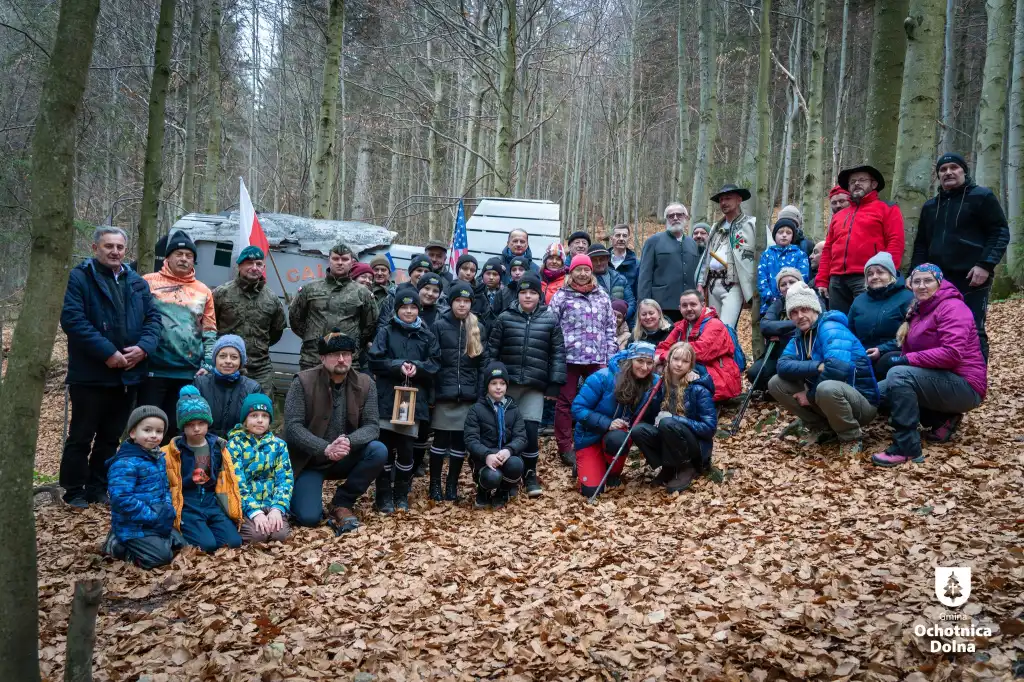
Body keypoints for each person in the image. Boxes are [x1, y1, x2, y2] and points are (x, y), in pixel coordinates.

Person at [60, 226, 161, 507]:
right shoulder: (80, 278)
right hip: (90, 375)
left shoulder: (137, 282)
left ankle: (98, 487)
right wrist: (108, 353)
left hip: (127, 376)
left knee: (110, 437)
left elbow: (154, 319)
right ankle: (73, 490)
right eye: (109, 246)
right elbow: (73, 320)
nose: (115, 252)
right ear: (95, 248)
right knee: (81, 436)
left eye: (120, 247)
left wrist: (143, 348)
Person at [871, 264, 987, 467]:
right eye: (917, 281)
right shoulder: (918, 310)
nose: (922, 285)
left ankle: (906, 447)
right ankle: (941, 420)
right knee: (876, 392)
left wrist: (907, 360)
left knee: (899, 375)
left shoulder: (953, 307)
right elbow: (910, 351)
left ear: (939, 283)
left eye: (928, 280)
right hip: (938, 378)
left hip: (965, 385)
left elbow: (952, 354)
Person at [284, 330, 387, 533]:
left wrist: (348, 441)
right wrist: (325, 448)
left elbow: (372, 426)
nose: (341, 359)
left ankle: (342, 501)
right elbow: (293, 427)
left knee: (378, 450)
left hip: (345, 456)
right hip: (310, 461)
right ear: (322, 358)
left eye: (346, 354)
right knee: (308, 518)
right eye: (334, 354)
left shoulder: (366, 383)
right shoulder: (302, 382)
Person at [910, 153, 1010, 360]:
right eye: (943, 169)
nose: (948, 172)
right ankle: (946, 375)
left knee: (973, 328)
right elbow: (921, 244)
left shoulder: (981, 197)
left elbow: (999, 233)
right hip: (937, 280)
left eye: (953, 167)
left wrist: (985, 265)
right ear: (938, 175)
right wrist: (915, 274)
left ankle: (976, 377)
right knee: (936, 328)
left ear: (964, 171)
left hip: (972, 278)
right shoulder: (931, 206)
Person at [769, 282, 880, 455]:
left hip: (861, 402)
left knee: (826, 387)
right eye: (794, 312)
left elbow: (837, 368)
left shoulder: (830, 326)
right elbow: (782, 365)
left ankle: (850, 437)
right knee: (776, 382)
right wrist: (816, 366)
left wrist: (809, 396)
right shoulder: (800, 336)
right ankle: (821, 427)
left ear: (815, 309)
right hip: (825, 397)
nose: (800, 316)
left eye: (804, 309)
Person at [484, 273, 566, 496]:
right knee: (506, 431)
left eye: (532, 292)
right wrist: (490, 380)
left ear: (539, 296)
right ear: (517, 295)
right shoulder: (505, 318)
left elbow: (558, 353)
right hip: (506, 385)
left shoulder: (550, 320)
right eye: (523, 292)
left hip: (534, 385)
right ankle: (508, 476)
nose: (528, 296)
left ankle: (530, 474)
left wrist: (555, 383)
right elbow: (492, 351)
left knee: (530, 431)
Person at [368, 284, 441, 512]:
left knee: (407, 449)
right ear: (397, 309)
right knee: (385, 448)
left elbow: (435, 364)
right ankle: (383, 494)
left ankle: (401, 493)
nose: (409, 311)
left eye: (413, 307)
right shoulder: (386, 332)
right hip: (387, 398)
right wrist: (398, 366)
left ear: (419, 309)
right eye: (404, 307)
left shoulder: (427, 336)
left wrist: (417, 368)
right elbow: (375, 360)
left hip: (413, 402)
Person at [141, 231, 217, 442]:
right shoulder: (147, 283)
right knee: (148, 426)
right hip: (153, 370)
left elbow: (210, 331)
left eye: (188, 255)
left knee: (178, 430)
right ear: (168, 257)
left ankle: (173, 464)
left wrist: (208, 362)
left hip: (188, 372)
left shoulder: (204, 291)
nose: (184, 259)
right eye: (179, 254)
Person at [548, 255, 618, 468]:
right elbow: (550, 326)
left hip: (597, 357)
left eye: (586, 269)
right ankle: (565, 446)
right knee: (565, 402)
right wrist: (554, 354)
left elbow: (610, 327)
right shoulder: (561, 295)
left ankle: (598, 439)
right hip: (569, 357)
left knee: (602, 399)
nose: (582, 273)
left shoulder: (602, 295)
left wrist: (610, 355)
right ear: (571, 272)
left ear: (591, 271)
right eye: (578, 269)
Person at [571, 343, 661, 497]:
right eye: (640, 361)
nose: (645, 367)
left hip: (617, 437)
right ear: (630, 360)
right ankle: (584, 465)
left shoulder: (653, 383)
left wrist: (690, 375)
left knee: (618, 437)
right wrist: (607, 423)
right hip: (589, 436)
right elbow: (578, 408)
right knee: (591, 491)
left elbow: (674, 380)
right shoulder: (602, 377)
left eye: (649, 363)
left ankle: (611, 471)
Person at [102, 406, 185, 569]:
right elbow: (121, 499)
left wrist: (167, 509)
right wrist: (152, 515)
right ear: (133, 433)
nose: (154, 435)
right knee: (161, 558)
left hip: (156, 520)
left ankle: (152, 544)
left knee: (181, 546)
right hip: (133, 526)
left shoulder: (158, 457)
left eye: (159, 431)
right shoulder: (124, 463)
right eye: (147, 430)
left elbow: (164, 488)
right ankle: (118, 546)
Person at [162, 386, 242, 553]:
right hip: (188, 504)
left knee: (233, 541)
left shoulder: (217, 447)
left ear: (208, 423)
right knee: (207, 545)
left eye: (201, 423)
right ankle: (180, 533)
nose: (196, 429)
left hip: (211, 502)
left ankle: (208, 529)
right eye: (190, 424)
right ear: (183, 426)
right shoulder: (174, 451)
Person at [816, 165, 905, 315]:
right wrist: (822, 280)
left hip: (867, 277)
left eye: (862, 180)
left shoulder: (887, 209)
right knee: (838, 322)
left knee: (866, 321)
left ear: (874, 184)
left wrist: (888, 272)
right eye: (852, 182)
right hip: (836, 280)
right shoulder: (839, 216)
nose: (856, 183)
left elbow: (895, 242)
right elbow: (828, 249)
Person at [632, 342, 717, 492]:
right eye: (676, 359)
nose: (679, 364)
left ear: (691, 364)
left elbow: (709, 428)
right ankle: (669, 467)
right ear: (669, 359)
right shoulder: (661, 383)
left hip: (694, 445)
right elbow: (646, 413)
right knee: (638, 430)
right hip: (668, 438)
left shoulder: (698, 388)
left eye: (685, 361)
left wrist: (675, 418)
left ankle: (686, 467)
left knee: (667, 422)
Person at [428, 281, 485, 502]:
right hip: (444, 393)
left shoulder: (477, 327)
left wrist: (480, 393)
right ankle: (434, 484)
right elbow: (432, 361)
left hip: (468, 396)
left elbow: (482, 364)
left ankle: (452, 484)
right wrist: (433, 392)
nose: (462, 305)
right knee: (440, 441)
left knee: (460, 443)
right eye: (458, 301)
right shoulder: (439, 325)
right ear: (451, 302)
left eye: (466, 301)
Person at [289, 241, 379, 370]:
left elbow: (369, 326)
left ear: (352, 262)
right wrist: (313, 337)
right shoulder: (310, 288)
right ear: (329, 260)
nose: (340, 262)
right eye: (336, 259)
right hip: (313, 358)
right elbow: (295, 319)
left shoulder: (363, 293)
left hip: (346, 361)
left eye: (345, 259)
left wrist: (353, 340)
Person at [212, 245, 287, 397]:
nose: (254, 268)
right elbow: (210, 326)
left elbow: (276, 331)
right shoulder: (221, 293)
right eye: (249, 263)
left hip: (260, 369)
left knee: (261, 408)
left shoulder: (272, 299)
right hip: (226, 365)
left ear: (263, 267)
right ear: (239, 266)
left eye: (258, 264)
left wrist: (257, 346)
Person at [228, 394, 293, 543]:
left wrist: (277, 508)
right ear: (245, 420)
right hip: (246, 507)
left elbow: (285, 480)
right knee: (257, 536)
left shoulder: (279, 445)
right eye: (254, 415)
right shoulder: (234, 445)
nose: (259, 420)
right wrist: (254, 512)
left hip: (271, 504)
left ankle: (277, 516)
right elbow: (236, 482)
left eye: (265, 416)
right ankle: (241, 524)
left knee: (280, 535)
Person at [655, 290, 742, 403]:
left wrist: (664, 357)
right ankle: (664, 403)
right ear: (679, 308)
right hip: (698, 369)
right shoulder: (682, 325)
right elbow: (663, 346)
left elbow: (701, 352)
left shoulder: (714, 325)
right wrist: (661, 357)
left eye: (693, 304)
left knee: (674, 365)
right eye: (684, 305)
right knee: (659, 366)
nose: (689, 308)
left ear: (702, 305)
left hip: (719, 377)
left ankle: (675, 404)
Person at [746, 268, 823, 392]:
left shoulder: (812, 298)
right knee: (755, 373)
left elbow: (816, 321)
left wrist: (782, 334)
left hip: (806, 351)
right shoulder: (779, 303)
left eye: (792, 282)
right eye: (783, 284)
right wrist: (798, 324)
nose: (788, 287)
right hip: (778, 352)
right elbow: (765, 325)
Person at [464, 362, 528, 509]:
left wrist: (509, 450)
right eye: (494, 383)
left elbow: (521, 437)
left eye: (502, 383)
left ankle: (502, 492)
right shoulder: (476, 409)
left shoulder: (513, 409)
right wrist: (487, 455)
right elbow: (470, 439)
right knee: (492, 476)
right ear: (487, 385)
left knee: (516, 464)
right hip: (484, 459)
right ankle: (483, 492)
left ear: (506, 386)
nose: (498, 387)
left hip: (506, 455)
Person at [846, 252, 914, 379]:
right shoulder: (859, 301)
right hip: (862, 352)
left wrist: (881, 349)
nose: (874, 277)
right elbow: (849, 331)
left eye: (880, 272)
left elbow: (912, 334)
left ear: (891, 274)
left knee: (886, 361)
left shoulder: (907, 298)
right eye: (870, 274)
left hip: (893, 352)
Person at [698, 184, 756, 328]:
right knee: (712, 328)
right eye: (721, 200)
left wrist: (752, 287)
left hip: (734, 285)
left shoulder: (751, 224)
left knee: (725, 328)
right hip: (712, 284)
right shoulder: (716, 227)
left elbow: (764, 254)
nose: (723, 202)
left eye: (728, 198)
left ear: (739, 200)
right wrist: (701, 283)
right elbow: (706, 258)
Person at [637, 203, 701, 323]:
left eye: (679, 215)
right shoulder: (654, 241)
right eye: (671, 216)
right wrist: (644, 304)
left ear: (686, 217)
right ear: (666, 219)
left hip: (689, 307)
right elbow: (645, 276)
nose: (675, 218)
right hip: (662, 305)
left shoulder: (692, 243)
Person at [193, 335, 261, 438]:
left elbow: (257, 425)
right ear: (215, 359)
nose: (228, 361)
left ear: (241, 361)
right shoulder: (200, 384)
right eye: (222, 356)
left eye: (234, 357)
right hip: (204, 443)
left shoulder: (252, 388)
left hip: (239, 445)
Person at [757, 218, 810, 316]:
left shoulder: (800, 254)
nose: (784, 235)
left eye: (788, 233)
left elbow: (803, 278)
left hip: (795, 303)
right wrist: (770, 297)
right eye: (780, 232)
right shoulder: (767, 254)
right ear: (775, 235)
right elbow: (761, 278)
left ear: (793, 236)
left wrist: (793, 295)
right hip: (769, 305)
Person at [375, 254, 435, 333]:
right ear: (411, 272)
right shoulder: (395, 292)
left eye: (426, 272)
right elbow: (382, 323)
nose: (422, 274)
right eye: (419, 270)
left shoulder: (434, 297)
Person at [589, 243, 636, 323]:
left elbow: (631, 302)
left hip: (622, 324)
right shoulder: (587, 281)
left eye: (601, 259)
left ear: (607, 259)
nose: (599, 263)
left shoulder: (620, 278)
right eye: (594, 260)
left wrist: (621, 317)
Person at [474, 257, 507, 332]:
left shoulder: (505, 294)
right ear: (482, 275)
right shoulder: (475, 292)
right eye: (488, 274)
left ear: (500, 277)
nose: (491, 277)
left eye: (495, 274)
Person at [610, 224, 639, 298]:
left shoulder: (636, 264)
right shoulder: (602, 261)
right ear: (611, 238)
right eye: (618, 235)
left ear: (628, 239)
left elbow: (638, 291)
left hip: (628, 304)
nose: (621, 238)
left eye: (624, 236)